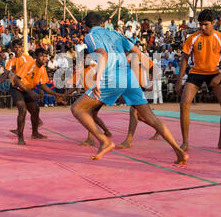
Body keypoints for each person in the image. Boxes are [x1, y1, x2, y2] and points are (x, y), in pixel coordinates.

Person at [70, 12, 188, 164]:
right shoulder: (115, 33)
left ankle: (103, 141)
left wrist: (97, 81)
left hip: (111, 76)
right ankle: (179, 152)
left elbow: (102, 54)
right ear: (102, 23)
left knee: (77, 109)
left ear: (85, 26)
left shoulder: (90, 36)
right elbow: (137, 52)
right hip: (129, 76)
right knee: (150, 117)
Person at [176, 10, 221, 152]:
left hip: (214, 73)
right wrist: (179, 81)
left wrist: (219, 77)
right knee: (184, 104)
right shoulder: (193, 38)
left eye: (206, 25)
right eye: (200, 25)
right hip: (196, 73)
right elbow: (184, 59)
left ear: (213, 23)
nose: (202, 28)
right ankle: (185, 142)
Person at [12, 48, 65, 145]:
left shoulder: (43, 69)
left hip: (27, 90)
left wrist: (56, 94)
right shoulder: (29, 64)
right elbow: (16, 80)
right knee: (22, 110)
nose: (44, 58)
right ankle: (20, 137)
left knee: (35, 110)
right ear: (36, 57)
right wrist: (30, 92)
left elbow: (43, 85)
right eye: (42, 56)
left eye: (46, 56)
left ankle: (35, 133)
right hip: (17, 89)